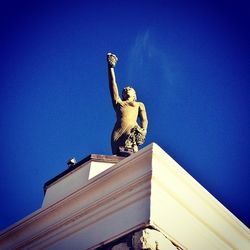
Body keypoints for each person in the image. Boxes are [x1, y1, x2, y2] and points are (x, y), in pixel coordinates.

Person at [107, 53, 148, 156]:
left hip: (131, 130)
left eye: (130, 89)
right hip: (118, 133)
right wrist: (111, 67)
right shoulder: (118, 103)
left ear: (135, 95)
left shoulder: (139, 104)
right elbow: (113, 83)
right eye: (125, 90)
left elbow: (144, 120)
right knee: (116, 159)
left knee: (132, 156)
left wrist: (144, 130)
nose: (127, 89)